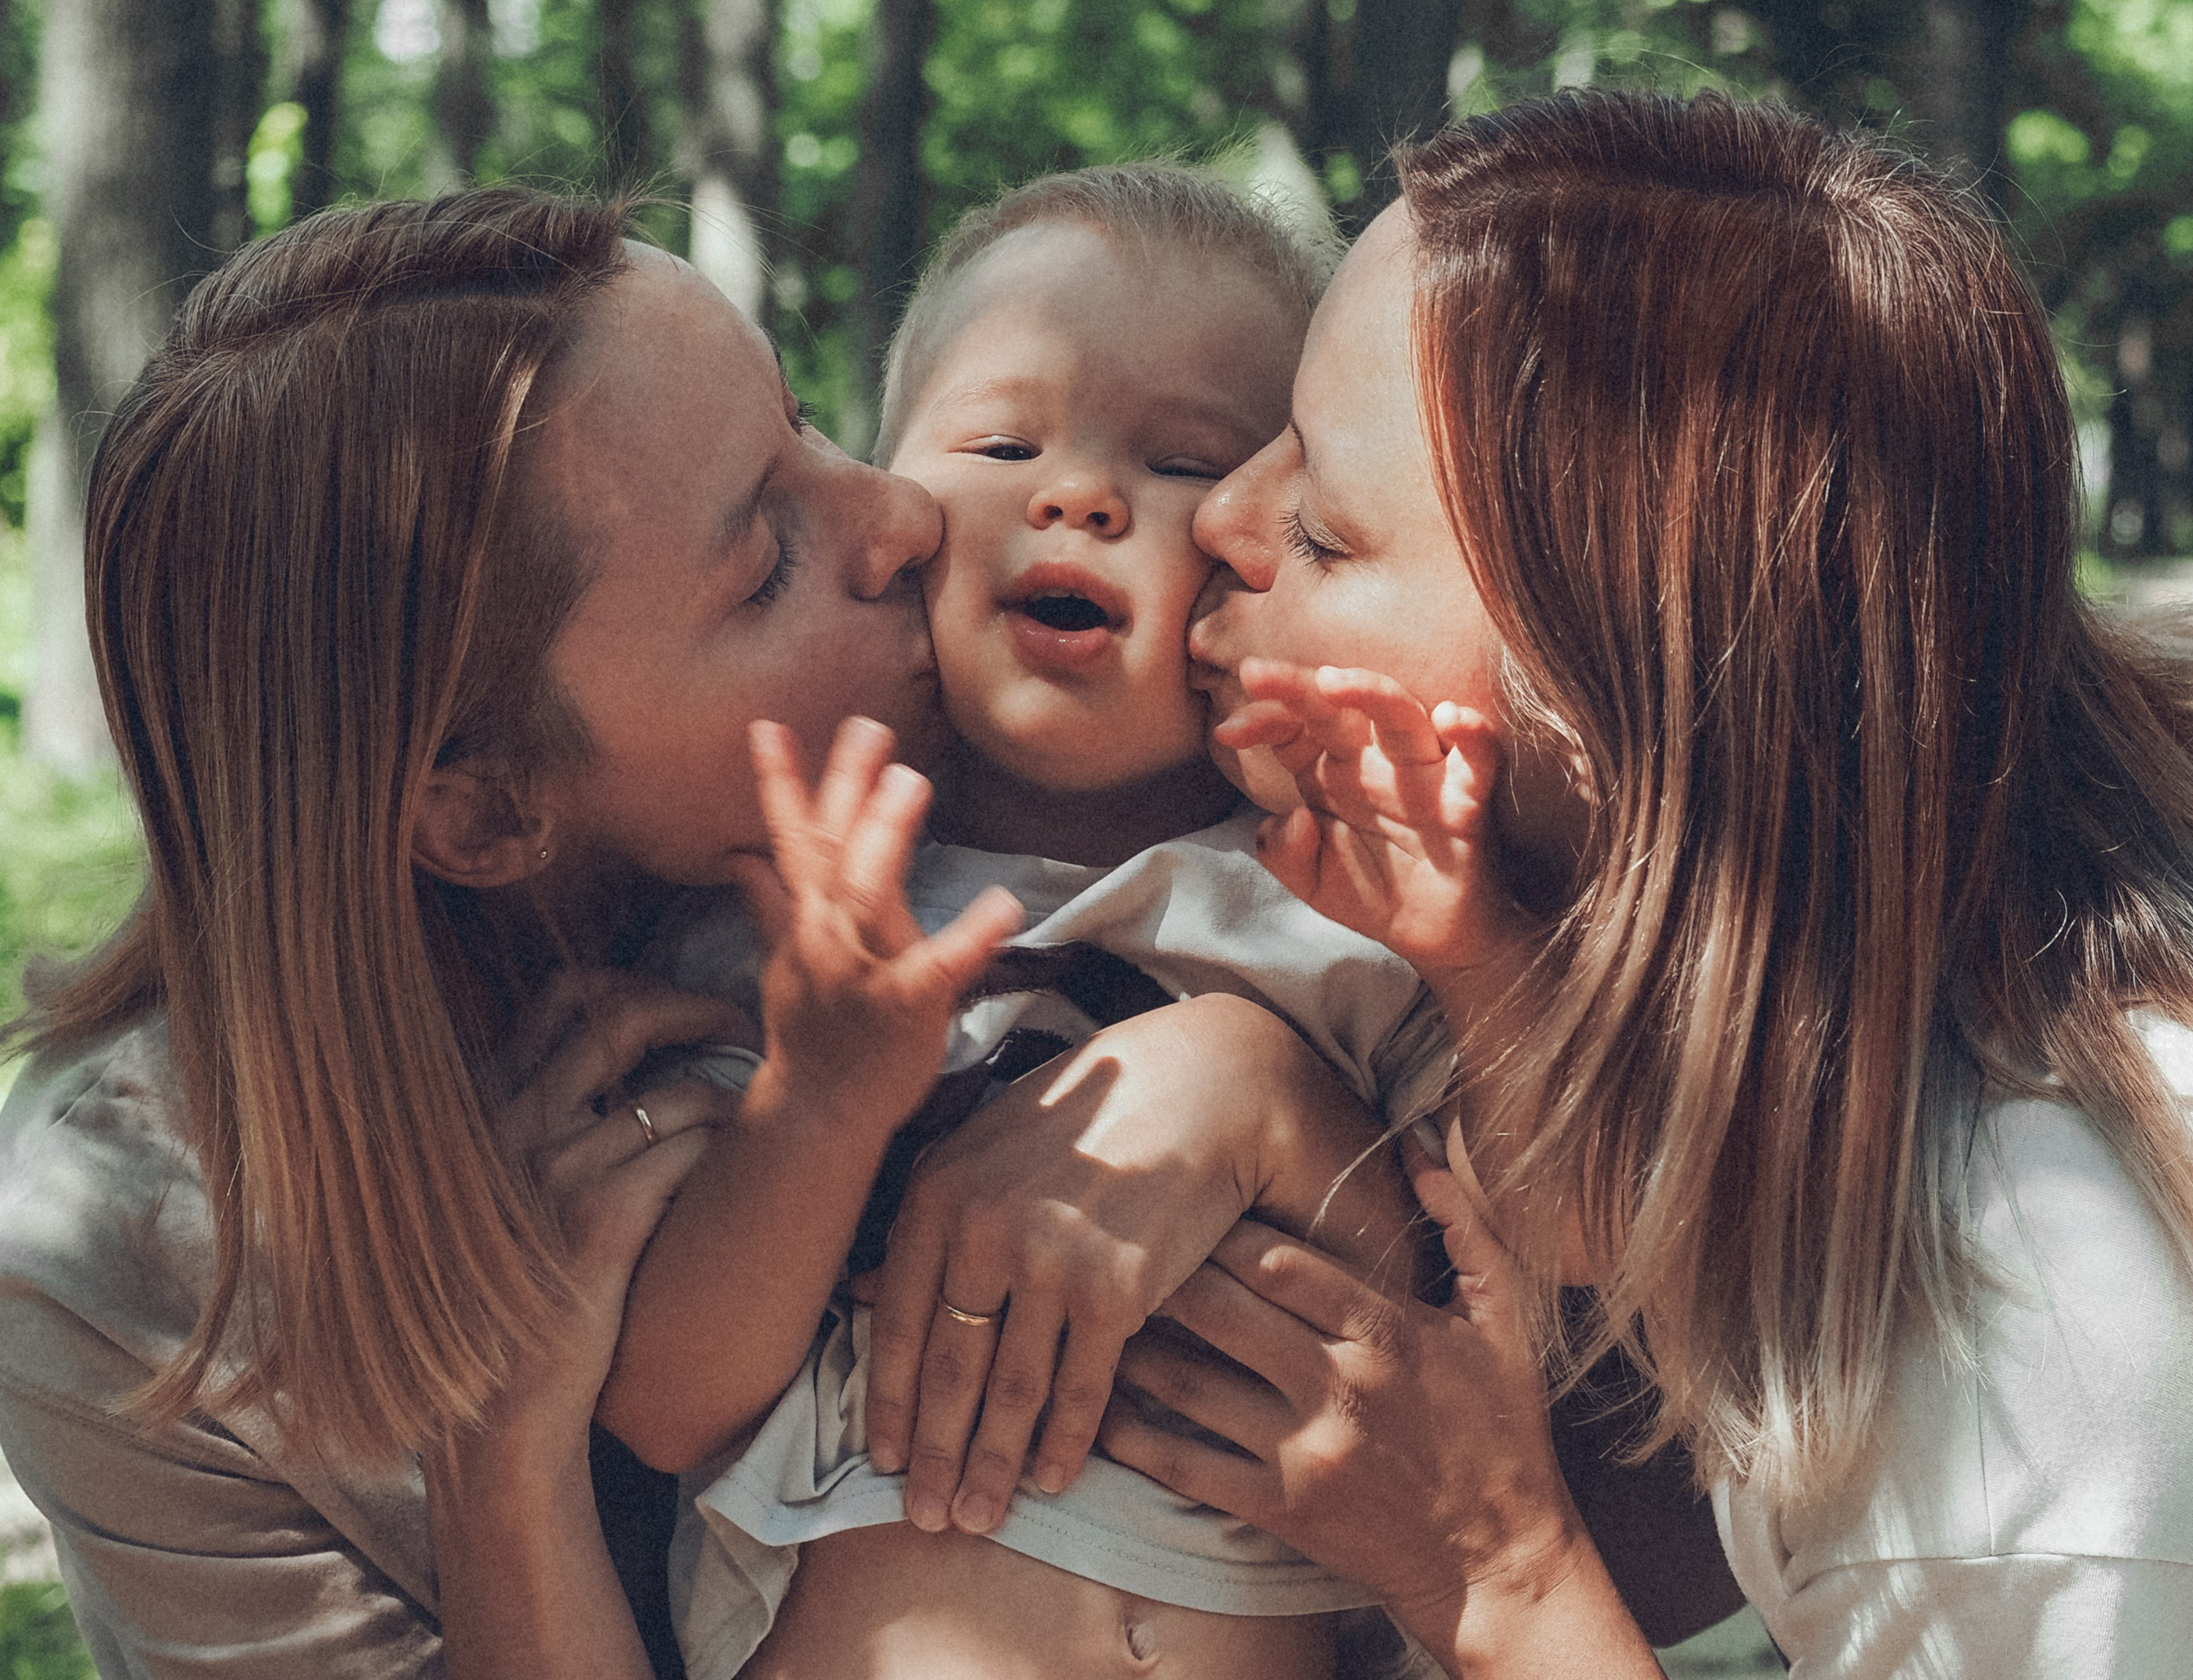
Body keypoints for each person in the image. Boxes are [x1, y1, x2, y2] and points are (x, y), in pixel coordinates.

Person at [0, 186, 1379, 1677]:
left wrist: (1259, 1084)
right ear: (481, 811)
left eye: (806, 425)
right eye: (765, 558)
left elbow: (1621, 1500)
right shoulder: (131, 1254)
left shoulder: (1106, 827)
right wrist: (507, 1448)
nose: (907, 514)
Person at [1080, 89, 2193, 1677]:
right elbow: (1608, 1229)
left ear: (1600, 726)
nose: (1218, 518)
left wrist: (1501, 1576)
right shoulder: (1955, 885)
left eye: (1330, 535)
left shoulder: (2032, 1402)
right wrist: (1478, 960)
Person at [592, 164, 1456, 1680]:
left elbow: (1467, 1337)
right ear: (892, 509)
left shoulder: (1354, 911)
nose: (1080, 494)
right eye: (1001, 442)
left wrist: (1277, 1105)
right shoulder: (800, 909)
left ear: (1274, 538)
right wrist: (824, 1100)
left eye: (1187, 460)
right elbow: (667, 1402)